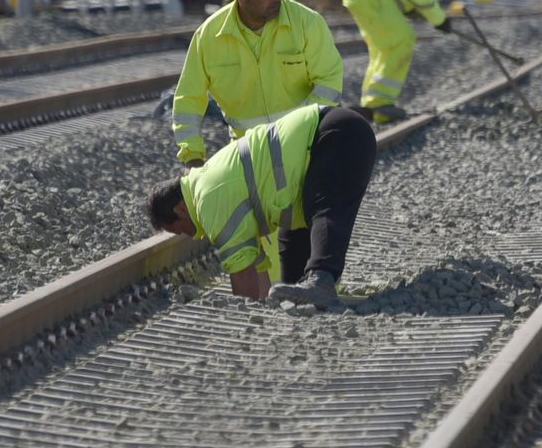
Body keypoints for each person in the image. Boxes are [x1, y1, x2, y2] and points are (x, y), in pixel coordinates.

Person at [148, 103, 376, 308]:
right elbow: (256, 264)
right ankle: (314, 286)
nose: (190, 236)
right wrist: (269, 306)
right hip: (330, 138)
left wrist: (246, 316)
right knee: (292, 284)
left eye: (179, 230)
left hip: (336, 136)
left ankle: (322, 279)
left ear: (180, 209)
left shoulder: (209, 201)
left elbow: (242, 272)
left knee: (325, 208)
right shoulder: (203, 184)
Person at [171, 0, 343, 161]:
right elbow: (188, 99)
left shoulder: (308, 23)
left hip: (304, 146)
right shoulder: (209, 36)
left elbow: (330, 81)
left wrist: (300, 130)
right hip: (247, 153)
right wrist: (192, 156)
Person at [341, 0, 469, 123]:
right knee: (402, 40)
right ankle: (379, 103)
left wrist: (411, 8)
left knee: (384, 48)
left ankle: (376, 107)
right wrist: (441, 20)